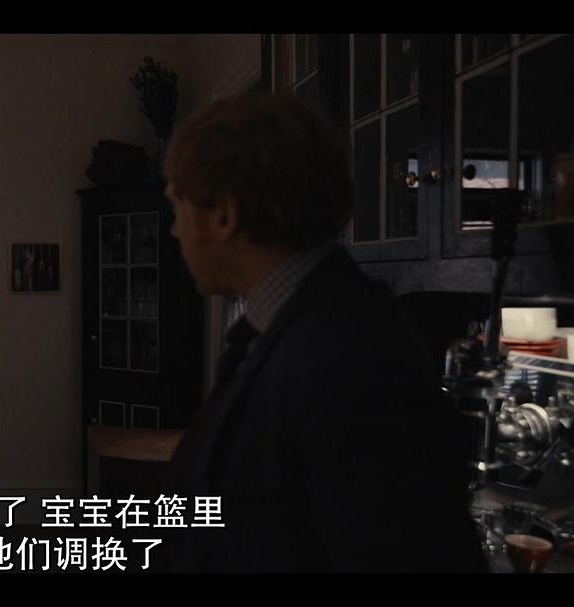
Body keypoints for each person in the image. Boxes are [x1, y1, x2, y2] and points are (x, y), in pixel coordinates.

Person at [159, 93, 485, 572]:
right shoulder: (281, 327)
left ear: (224, 215)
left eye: (177, 207)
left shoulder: (353, 361)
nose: (174, 231)